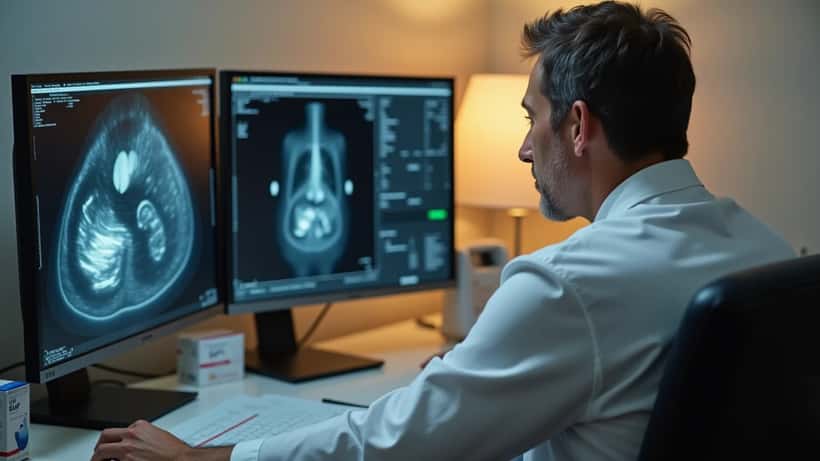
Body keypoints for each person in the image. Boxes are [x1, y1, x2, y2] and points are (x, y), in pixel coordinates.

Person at [91, 2, 795, 460]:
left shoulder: (567, 285)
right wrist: (467, 384)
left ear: (578, 126)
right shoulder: (764, 250)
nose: (525, 148)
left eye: (532, 118)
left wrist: (204, 458)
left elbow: (395, 446)